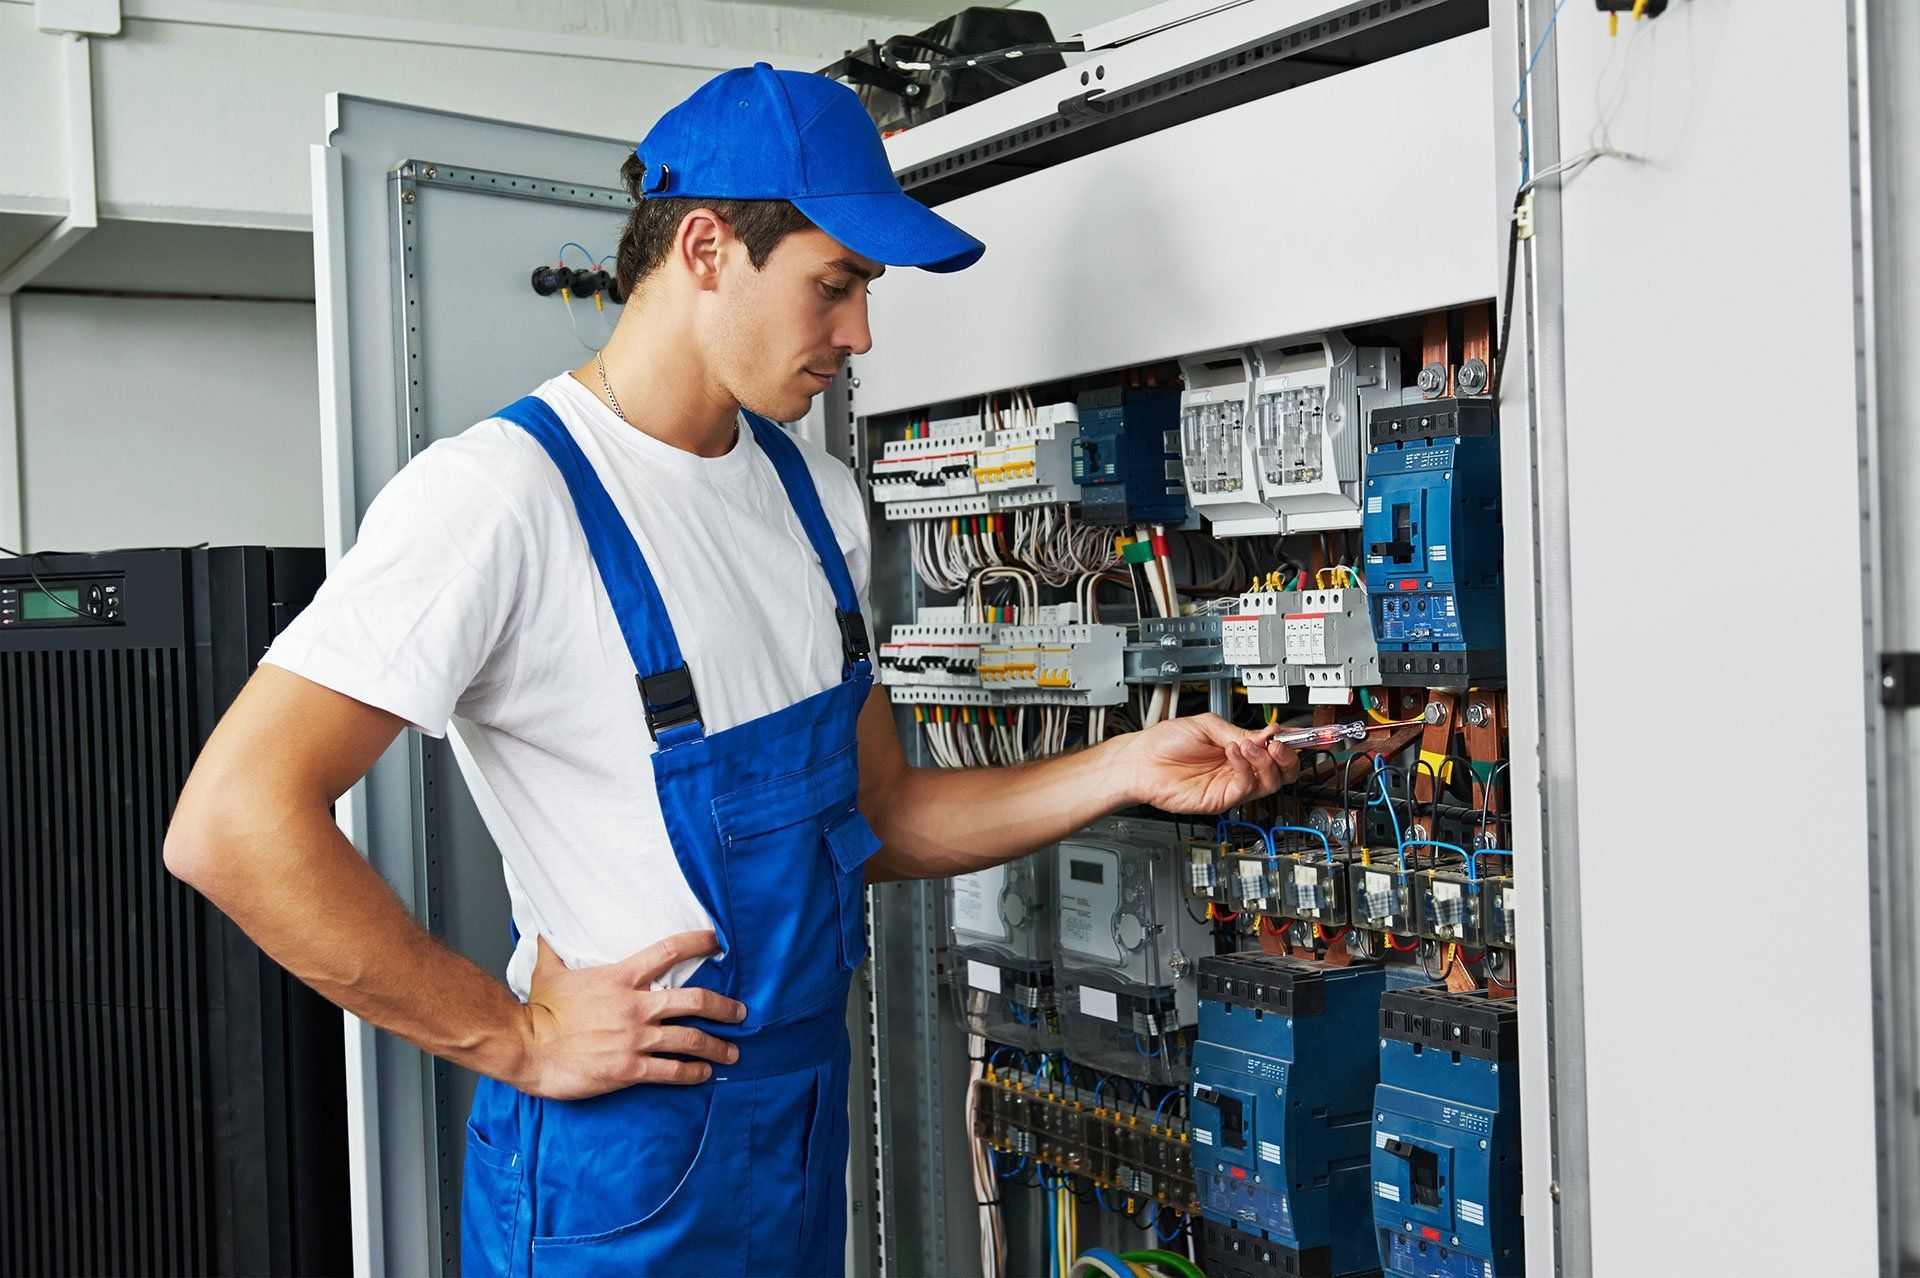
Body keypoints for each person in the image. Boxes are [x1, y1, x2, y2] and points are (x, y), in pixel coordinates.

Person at [164, 62, 1299, 1277]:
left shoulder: (811, 497)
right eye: (835, 284)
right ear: (705, 247)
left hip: (798, 1115)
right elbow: (232, 825)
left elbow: (883, 815)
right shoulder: (502, 496)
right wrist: (514, 1039)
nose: (860, 333)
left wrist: (1125, 765)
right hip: (625, 1160)